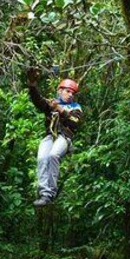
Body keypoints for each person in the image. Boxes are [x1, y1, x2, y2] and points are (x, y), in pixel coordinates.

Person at [27, 68, 83, 207]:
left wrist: (60, 109)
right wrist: (32, 84)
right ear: (60, 91)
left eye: (72, 93)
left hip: (64, 137)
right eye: (67, 91)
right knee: (41, 158)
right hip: (50, 136)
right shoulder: (52, 104)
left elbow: (74, 122)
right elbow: (37, 101)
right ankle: (44, 194)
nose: (70, 95)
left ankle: (50, 193)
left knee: (53, 155)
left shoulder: (75, 107)